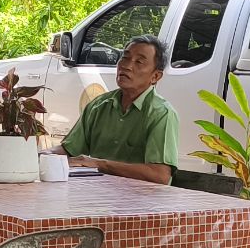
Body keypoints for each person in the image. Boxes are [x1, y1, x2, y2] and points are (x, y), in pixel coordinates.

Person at [58, 34, 177, 184]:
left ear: (155, 76)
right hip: (95, 192)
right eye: (125, 58)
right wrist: (40, 155)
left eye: (139, 62)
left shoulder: (161, 113)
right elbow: (68, 150)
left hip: (139, 197)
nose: (126, 66)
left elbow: (160, 175)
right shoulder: (99, 105)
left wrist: (99, 164)